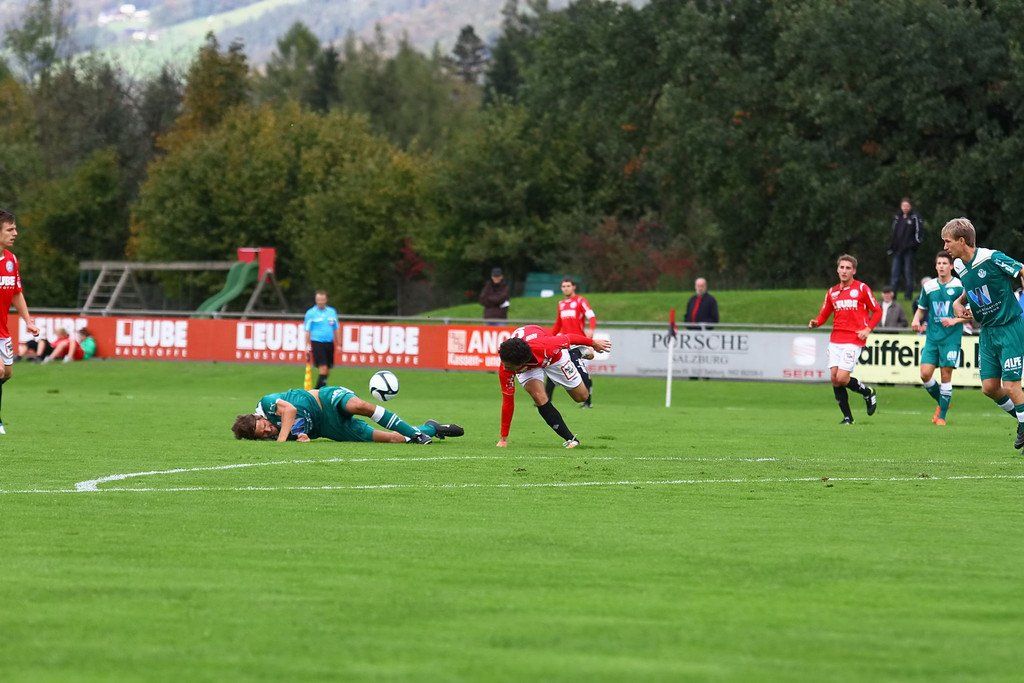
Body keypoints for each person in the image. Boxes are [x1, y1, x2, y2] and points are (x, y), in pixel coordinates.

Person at [942, 218, 1024, 449]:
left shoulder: (991, 257)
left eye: (947, 241)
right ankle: (1022, 420)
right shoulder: (959, 266)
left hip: (1009, 326)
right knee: (989, 387)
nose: (945, 247)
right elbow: (970, 288)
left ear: (961, 240)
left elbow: (1021, 270)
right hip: (987, 331)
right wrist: (958, 302)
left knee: (1011, 385)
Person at [496, 324, 612, 448]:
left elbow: (569, 338)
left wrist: (594, 343)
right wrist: (503, 438)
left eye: (508, 366)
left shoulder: (547, 346)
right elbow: (508, 401)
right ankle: (571, 439)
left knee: (581, 397)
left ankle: (575, 353)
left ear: (522, 363)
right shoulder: (507, 365)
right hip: (527, 364)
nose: (505, 368)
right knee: (538, 397)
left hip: (554, 359)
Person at [232, 384, 464, 444]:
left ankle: (418, 436)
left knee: (360, 405)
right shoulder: (273, 435)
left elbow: (290, 410)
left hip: (325, 399)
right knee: (392, 439)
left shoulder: (267, 403)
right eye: (264, 434)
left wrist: (282, 440)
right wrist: (301, 438)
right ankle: (431, 428)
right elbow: (301, 433)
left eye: (265, 427)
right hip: (330, 428)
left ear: (259, 418)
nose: (269, 430)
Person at [808, 254, 881, 424]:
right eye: (842, 267)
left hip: (854, 339)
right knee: (834, 378)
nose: (844, 271)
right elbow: (824, 313)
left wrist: (868, 329)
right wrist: (816, 322)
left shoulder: (861, 288)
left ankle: (868, 392)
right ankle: (848, 418)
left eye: (848, 268)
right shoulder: (832, 292)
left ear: (854, 271)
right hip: (836, 339)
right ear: (837, 269)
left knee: (842, 377)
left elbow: (877, 311)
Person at [911, 251, 967, 426]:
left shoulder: (959, 286)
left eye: (945, 263)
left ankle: (941, 416)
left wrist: (954, 320)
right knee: (925, 374)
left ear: (951, 266)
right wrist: (916, 319)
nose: (941, 266)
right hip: (932, 338)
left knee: (945, 374)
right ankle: (943, 402)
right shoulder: (929, 286)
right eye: (939, 263)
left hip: (951, 338)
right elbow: (922, 308)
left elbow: (970, 313)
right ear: (935, 266)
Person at [0, 210, 40, 435]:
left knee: (7, 373)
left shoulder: (11, 260)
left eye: (15, 228)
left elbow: (16, 292)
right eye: (10, 229)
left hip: (2, 330)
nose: (15, 233)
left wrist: (28, 321)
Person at [545, 277, 597, 408]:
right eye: (563, 286)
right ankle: (545, 401)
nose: (566, 288)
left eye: (568, 286)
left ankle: (587, 402)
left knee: (582, 372)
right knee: (555, 367)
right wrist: (549, 338)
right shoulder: (561, 304)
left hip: (579, 343)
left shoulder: (580, 300)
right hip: (565, 343)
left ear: (573, 287)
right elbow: (558, 324)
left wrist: (591, 331)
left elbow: (591, 316)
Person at [888, 197, 924, 299]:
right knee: (895, 273)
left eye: (907, 206)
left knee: (908, 273)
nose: (905, 208)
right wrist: (891, 247)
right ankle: (892, 295)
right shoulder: (897, 217)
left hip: (909, 251)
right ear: (901, 206)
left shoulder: (915, 217)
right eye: (903, 206)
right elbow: (893, 234)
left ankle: (908, 296)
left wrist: (913, 245)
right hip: (897, 250)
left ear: (910, 206)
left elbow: (919, 234)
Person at [304, 290, 339, 389]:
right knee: (323, 368)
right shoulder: (310, 313)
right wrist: (307, 345)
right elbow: (307, 330)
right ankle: (317, 391)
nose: (320, 302)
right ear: (316, 300)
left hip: (329, 343)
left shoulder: (332, 312)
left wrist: (339, 343)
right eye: (318, 300)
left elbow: (336, 328)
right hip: (317, 342)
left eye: (322, 300)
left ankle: (320, 389)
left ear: (326, 300)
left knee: (327, 369)